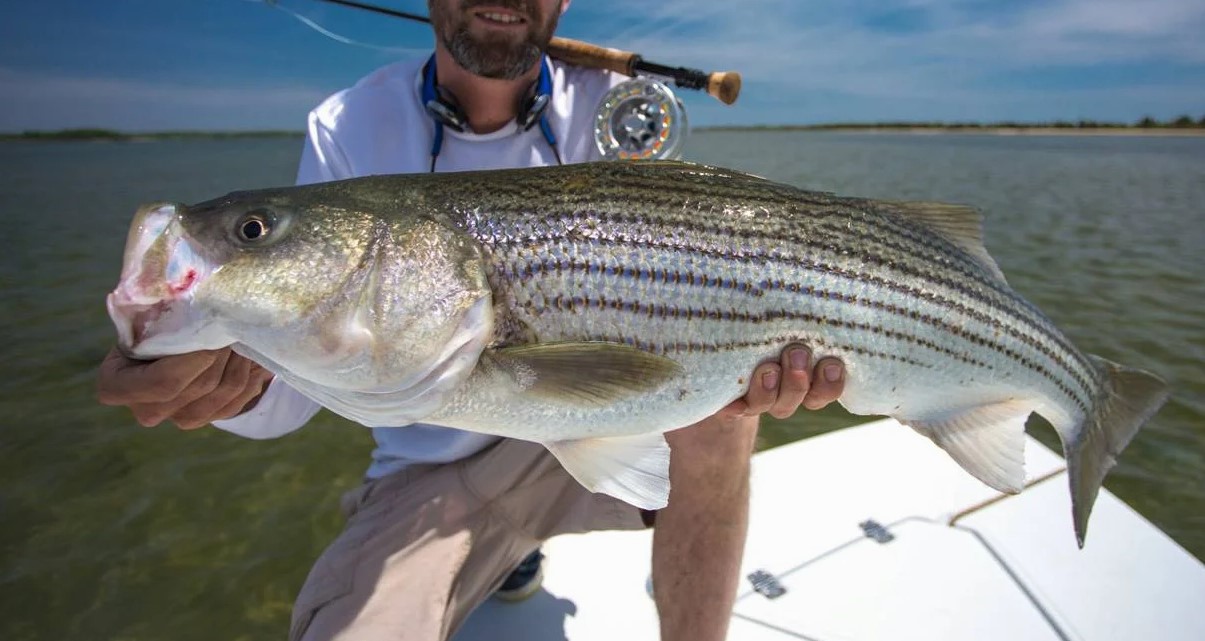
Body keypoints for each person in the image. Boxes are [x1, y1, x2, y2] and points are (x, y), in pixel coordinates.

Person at [95, 1, 847, 639]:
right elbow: (293, 395)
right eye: (254, 231)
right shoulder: (348, 123)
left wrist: (757, 352)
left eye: (253, 231)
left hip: (599, 418)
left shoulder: (618, 109)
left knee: (721, 404)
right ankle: (501, 547)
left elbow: (697, 285)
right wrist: (230, 383)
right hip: (431, 463)